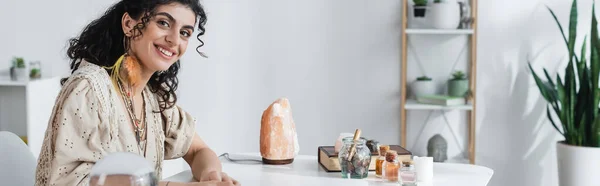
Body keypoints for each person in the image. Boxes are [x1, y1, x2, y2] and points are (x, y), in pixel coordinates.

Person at [34, 0, 239, 185]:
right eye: (164, 23)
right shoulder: (89, 89)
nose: (174, 40)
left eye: (185, 32)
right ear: (129, 24)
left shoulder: (154, 97)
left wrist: (211, 176)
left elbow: (198, 150)